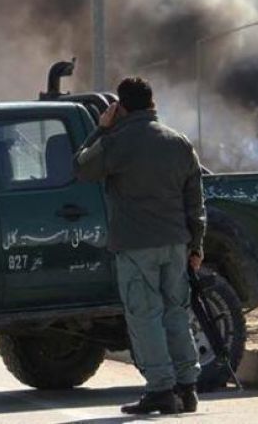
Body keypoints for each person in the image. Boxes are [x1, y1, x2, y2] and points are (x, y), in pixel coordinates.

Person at [74, 77, 206, 415]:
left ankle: (161, 389)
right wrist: (196, 245)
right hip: (175, 243)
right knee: (176, 312)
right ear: (152, 103)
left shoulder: (117, 142)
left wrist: (101, 128)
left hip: (136, 246)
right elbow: (195, 201)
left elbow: (82, 167)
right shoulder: (178, 142)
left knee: (145, 317)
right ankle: (187, 387)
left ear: (121, 107)